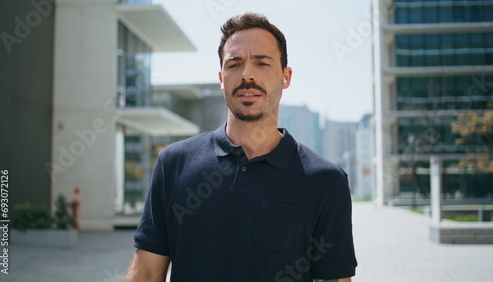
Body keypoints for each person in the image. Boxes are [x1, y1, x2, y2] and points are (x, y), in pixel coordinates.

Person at [125, 12, 357, 282]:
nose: (247, 75)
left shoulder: (325, 181)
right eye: (235, 64)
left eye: (262, 63)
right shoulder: (174, 164)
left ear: (286, 76)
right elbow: (147, 274)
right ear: (222, 77)